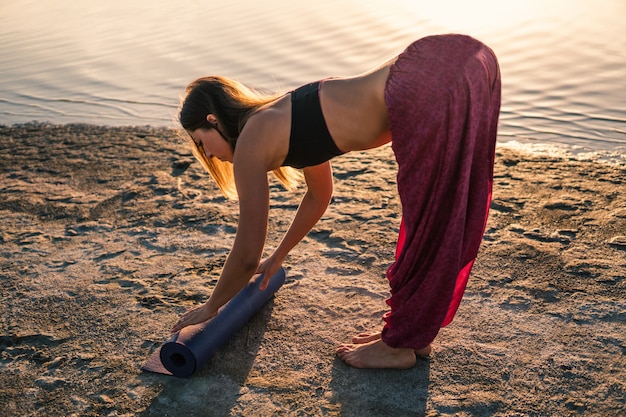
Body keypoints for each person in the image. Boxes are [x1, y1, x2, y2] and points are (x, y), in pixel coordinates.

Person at [169, 34, 501, 369]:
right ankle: (408, 335)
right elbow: (319, 195)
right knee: (437, 216)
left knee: (430, 221)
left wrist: (210, 307)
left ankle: (400, 345)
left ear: (213, 120)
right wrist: (278, 257)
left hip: (427, 81)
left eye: (201, 142)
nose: (209, 153)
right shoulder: (279, 117)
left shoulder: (253, 138)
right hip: (460, 58)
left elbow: (244, 256)